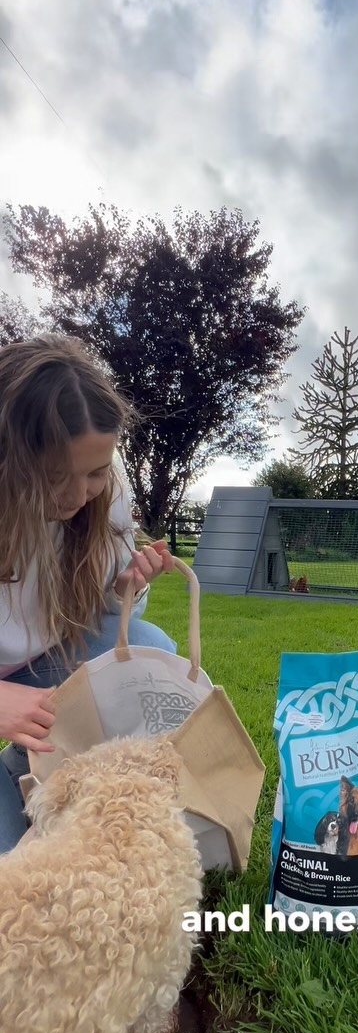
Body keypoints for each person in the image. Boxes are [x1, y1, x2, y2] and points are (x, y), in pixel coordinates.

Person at [0, 334, 178, 853]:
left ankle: (26, 765)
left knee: (149, 649)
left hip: (43, 665)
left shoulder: (105, 496)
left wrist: (125, 589)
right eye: (55, 478)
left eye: (96, 473)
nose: (79, 497)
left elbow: (95, 613)